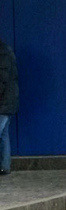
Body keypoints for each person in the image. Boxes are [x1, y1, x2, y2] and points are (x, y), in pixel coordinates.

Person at [0, 39, 19, 176]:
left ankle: (5, 166)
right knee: (4, 135)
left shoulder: (2, 53)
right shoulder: (6, 50)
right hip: (8, 102)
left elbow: (1, 79)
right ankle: (5, 166)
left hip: (3, 103)